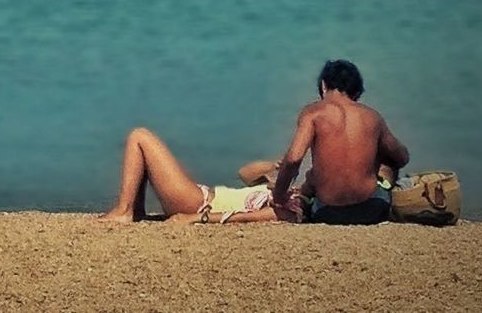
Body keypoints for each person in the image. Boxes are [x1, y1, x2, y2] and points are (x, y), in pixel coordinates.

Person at [272, 59, 409, 226]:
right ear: (357, 90)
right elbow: (402, 157)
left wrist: (279, 196)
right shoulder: (372, 116)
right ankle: (380, 184)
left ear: (323, 85)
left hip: (327, 213)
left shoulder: (313, 113)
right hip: (373, 209)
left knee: (314, 175)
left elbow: (293, 158)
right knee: (389, 162)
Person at [99, 127, 306, 225]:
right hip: (202, 195)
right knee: (147, 150)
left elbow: (246, 217)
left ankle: (124, 210)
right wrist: (276, 165)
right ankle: (136, 210)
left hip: (198, 204)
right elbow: (244, 173)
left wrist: (196, 218)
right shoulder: (283, 191)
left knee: (140, 137)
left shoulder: (292, 209)